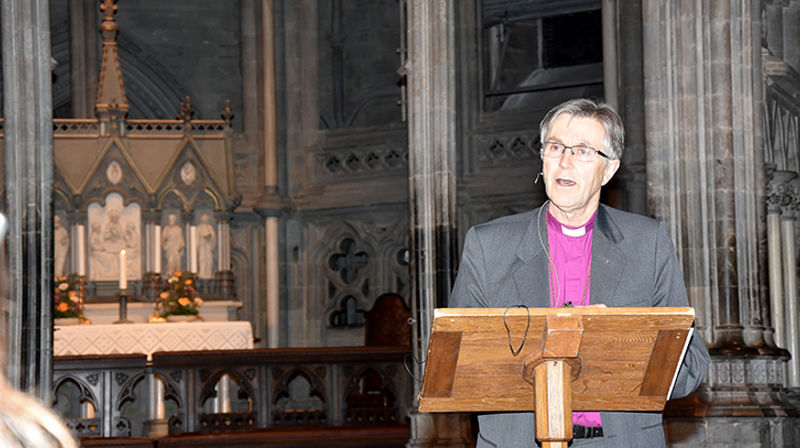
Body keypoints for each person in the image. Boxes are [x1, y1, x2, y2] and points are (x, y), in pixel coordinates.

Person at [449, 98, 710, 447]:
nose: (565, 161)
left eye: (584, 151)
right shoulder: (488, 245)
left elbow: (690, 365)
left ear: (609, 169)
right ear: (543, 158)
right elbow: (454, 366)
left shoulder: (646, 243)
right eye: (555, 147)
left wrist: (615, 340)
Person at [196, 214, 216, 278]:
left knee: (209, 258)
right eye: (203, 218)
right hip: (202, 245)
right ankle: (202, 272)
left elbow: (213, 236)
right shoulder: (199, 227)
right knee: (202, 258)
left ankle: (208, 272)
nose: (204, 219)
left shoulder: (209, 227)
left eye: (206, 218)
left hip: (208, 245)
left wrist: (210, 236)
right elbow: (196, 237)